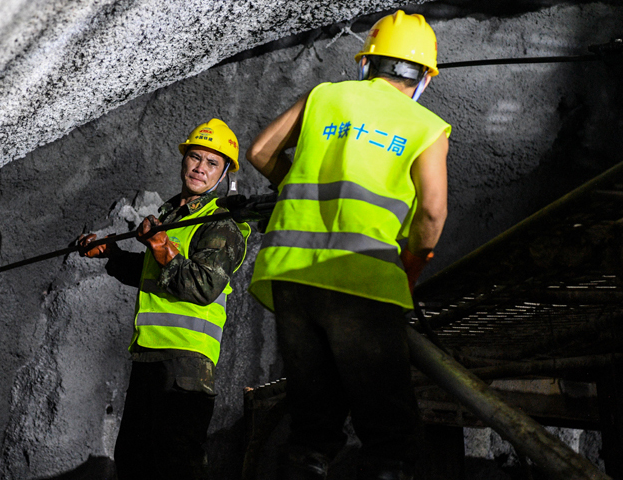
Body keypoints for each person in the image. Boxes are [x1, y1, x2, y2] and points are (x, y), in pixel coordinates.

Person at [246, 11, 450, 480]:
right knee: (389, 435)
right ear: (423, 78)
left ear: (367, 63)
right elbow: (433, 213)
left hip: (291, 277)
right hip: (363, 279)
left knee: (312, 429)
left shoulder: (325, 96)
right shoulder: (427, 127)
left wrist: (297, 187)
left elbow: (260, 151)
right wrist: (411, 268)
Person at [78, 118, 250, 480]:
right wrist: (111, 253)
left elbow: (202, 285)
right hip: (150, 358)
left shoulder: (221, 224)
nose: (200, 168)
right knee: (135, 460)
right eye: (195, 157)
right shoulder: (174, 217)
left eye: (211, 163)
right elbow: (157, 275)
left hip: (186, 366)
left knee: (176, 464)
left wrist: (160, 246)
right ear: (183, 159)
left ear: (224, 175)